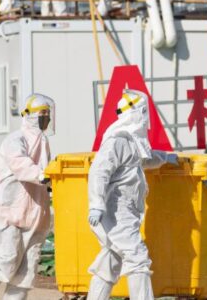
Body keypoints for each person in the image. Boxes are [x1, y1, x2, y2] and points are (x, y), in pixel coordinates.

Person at [86, 90, 178, 300]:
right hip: (115, 210)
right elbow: (99, 171)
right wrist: (97, 204)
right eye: (144, 112)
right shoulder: (118, 141)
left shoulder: (131, 141)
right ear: (138, 112)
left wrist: (165, 158)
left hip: (125, 210)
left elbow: (143, 160)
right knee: (137, 257)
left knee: (111, 258)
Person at [0, 94, 56, 300]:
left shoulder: (44, 142)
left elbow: (46, 172)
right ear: (29, 115)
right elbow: (20, 163)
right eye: (41, 114)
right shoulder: (15, 140)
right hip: (9, 212)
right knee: (6, 259)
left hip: (36, 215)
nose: (46, 118)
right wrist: (42, 175)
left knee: (27, 270)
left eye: (47, 114)